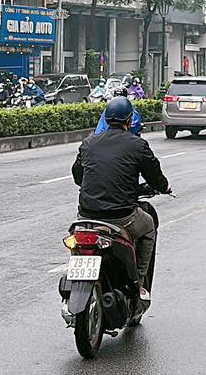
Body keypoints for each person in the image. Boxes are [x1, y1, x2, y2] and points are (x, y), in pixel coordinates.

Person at [71, 97, 171, 300]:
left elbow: (78, 176)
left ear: (106, 120)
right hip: (122, 218)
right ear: (129, 121)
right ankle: (139, 284)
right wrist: (164, 187)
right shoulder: (137, 145)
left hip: (86, 217)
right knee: (149, 226)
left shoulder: (88, 143)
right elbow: (155, 176)